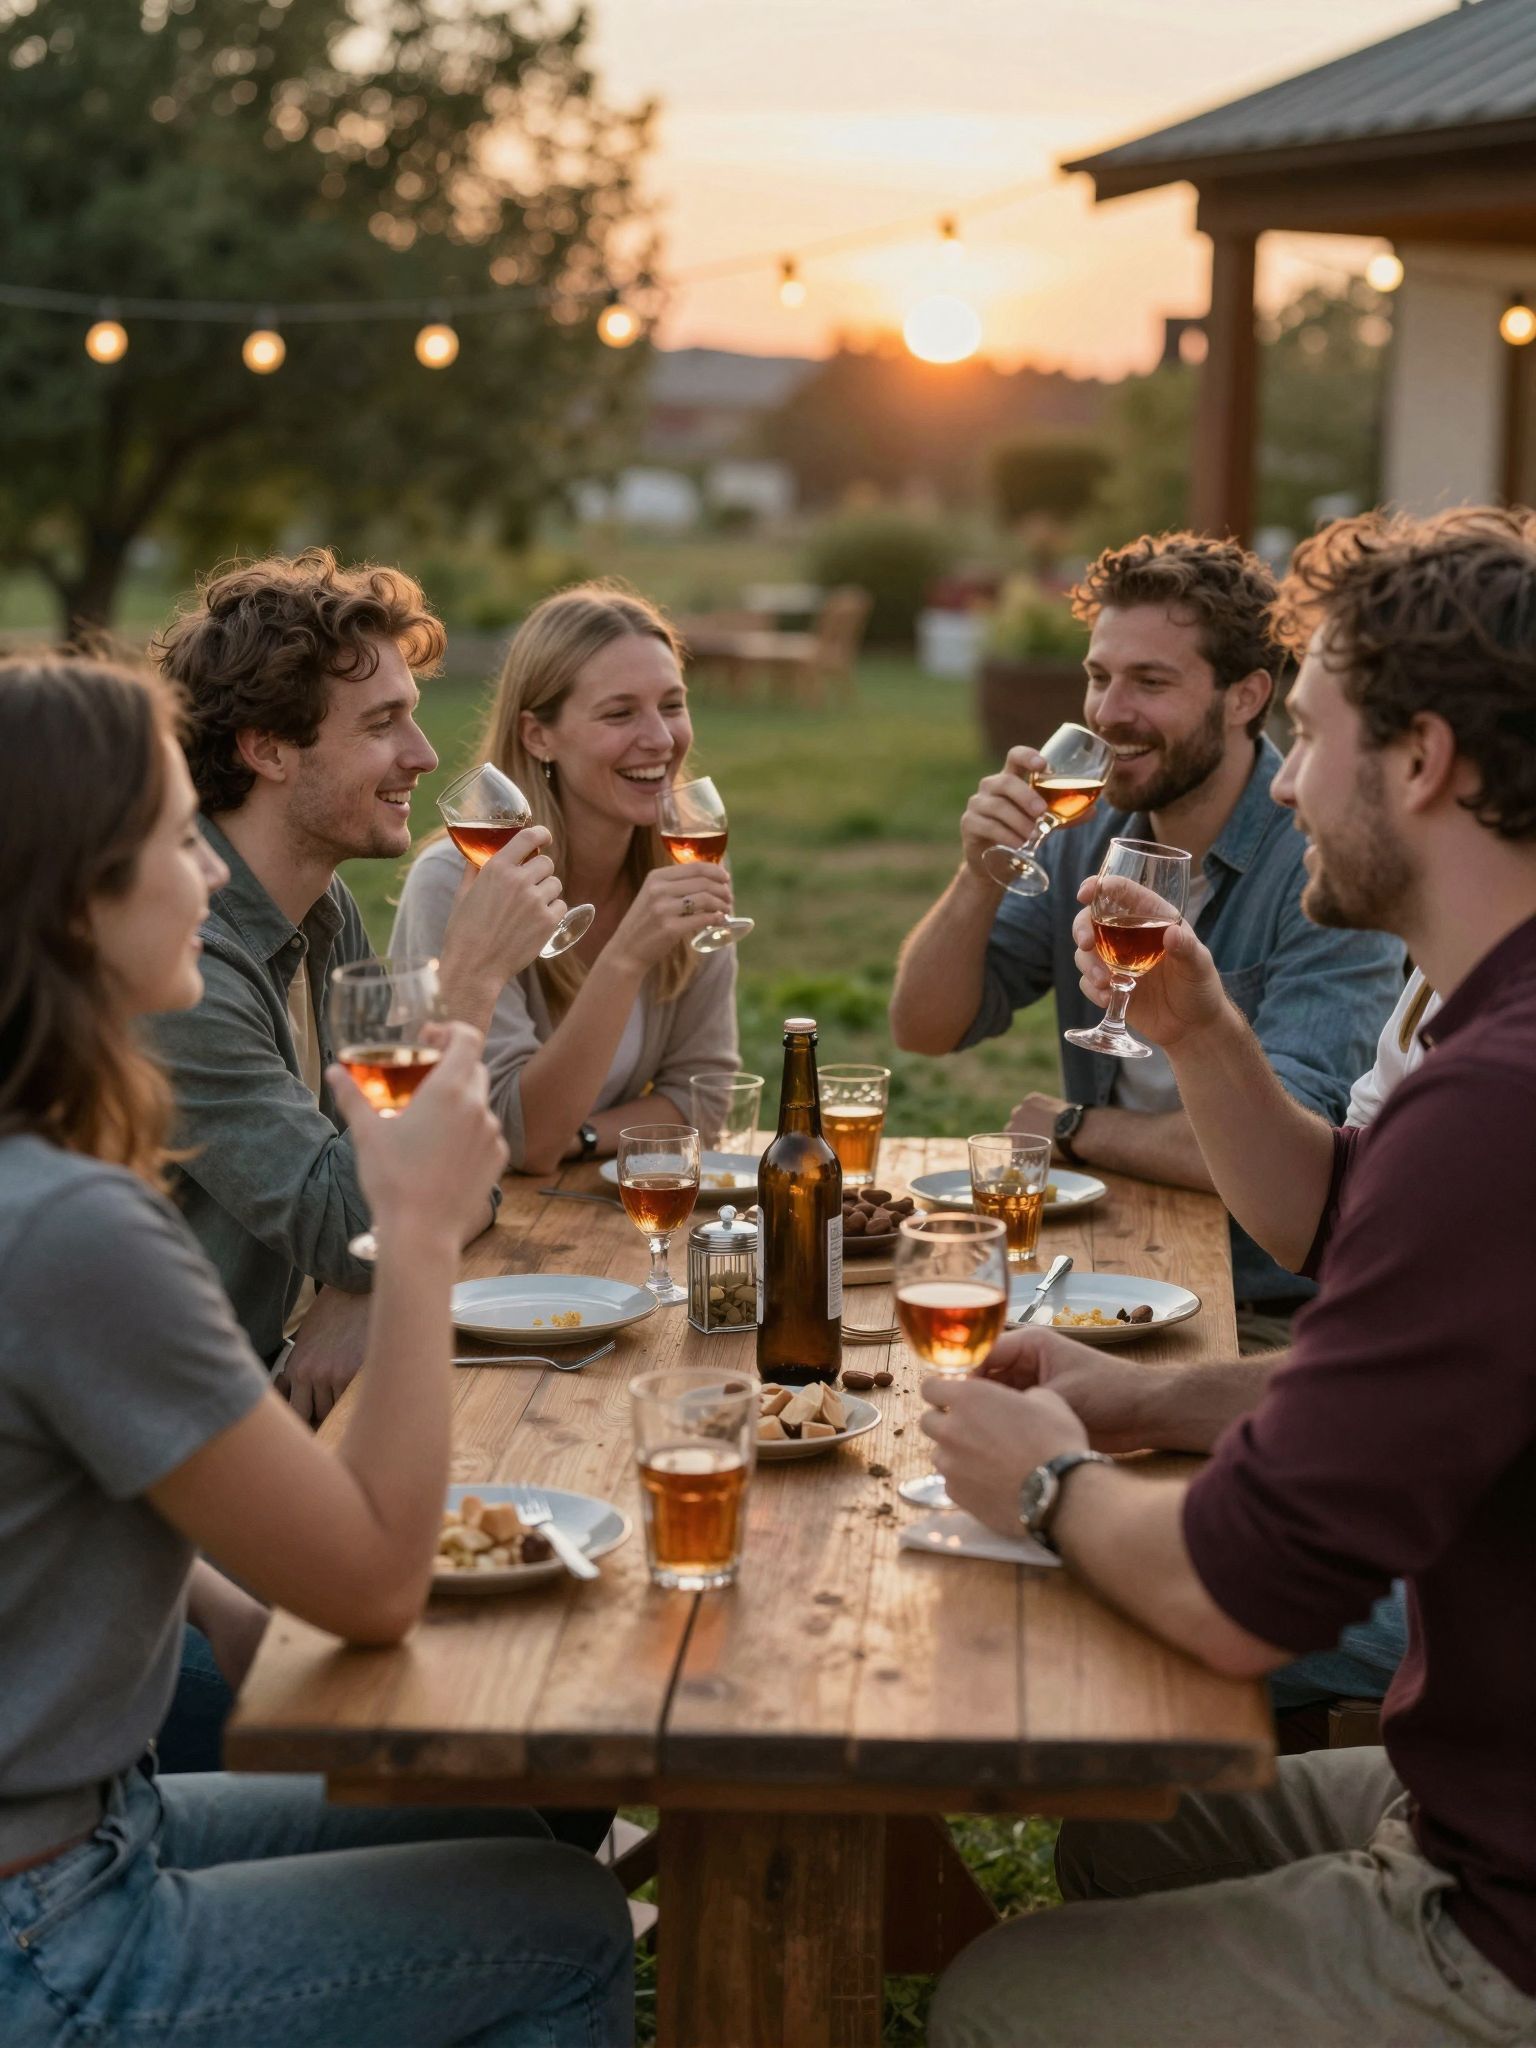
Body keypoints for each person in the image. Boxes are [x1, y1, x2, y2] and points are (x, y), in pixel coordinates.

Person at [922, 509, 1536, 2047]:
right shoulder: (1487, 1032)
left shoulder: (1494, 1106)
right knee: (1131, 1839)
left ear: (1424, 761)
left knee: (997, 2003)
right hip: (1473, 1767)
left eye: (1310, 736)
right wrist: (1197, 1028)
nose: (1285, 784)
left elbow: (1239, 1596)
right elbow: (1333, 1224)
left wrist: (1049, 1481)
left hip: (1505, 1900)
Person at [0, 653, 633, 2048]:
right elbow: (378, 1584)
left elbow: (66, 1481)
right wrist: (414, 1238)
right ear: (72, 899)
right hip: (47, 1929)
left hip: (96, 1822)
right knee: (562, 1923)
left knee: (511, 1822)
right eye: (173, 837)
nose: (208, 875)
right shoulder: (69, 1224)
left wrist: (227, 1610)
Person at [889, 532, 1405, 1350]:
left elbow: (1296, 1146)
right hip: (1108, 1262)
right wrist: (979, 873)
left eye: (1150, 682)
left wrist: (1073, 1128)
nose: (1107, 712)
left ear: (1245, 696)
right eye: (1099, 676)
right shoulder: (1084, 832)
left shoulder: (1320, 867)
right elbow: (923, 1026)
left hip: (1261, 1308)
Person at [150, 549, 566, 1415]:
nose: (424, 755)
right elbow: (362, 1217)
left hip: (286, 1381)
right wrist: (468, 979)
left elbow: (457, 1179)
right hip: (181, 1429)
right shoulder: (182, 964)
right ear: (268, 749)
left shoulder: (320, 907)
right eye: (382, 725)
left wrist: (357, 1293)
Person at [391, 583, 739, 1174]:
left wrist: (582, 1137)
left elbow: (703, 1099)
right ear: (538, 735)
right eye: (620, 713)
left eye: (672, 705)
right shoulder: (459, 885)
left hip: (605, 1205)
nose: (661, 738)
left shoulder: (683, 867)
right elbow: (521, 1139)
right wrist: (625, 958)